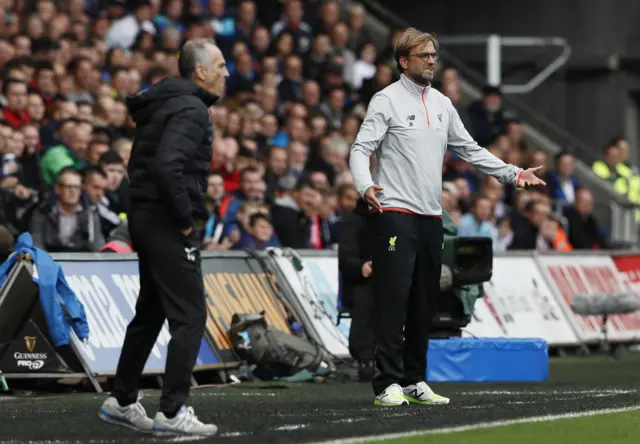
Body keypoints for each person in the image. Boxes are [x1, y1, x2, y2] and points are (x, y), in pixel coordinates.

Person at [349, 28, 545, 407]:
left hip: (430, 217)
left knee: (425, 300)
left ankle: (413, 379)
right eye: (424, 55)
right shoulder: (385, 100)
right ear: (404, 61)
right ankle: (386, 381)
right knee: (393, 299)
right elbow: (361, 148)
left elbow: (469, 149)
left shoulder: (441, 103)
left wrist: (513, 173)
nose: (432, 60)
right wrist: (364, 185)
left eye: (434, 55)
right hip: (395, 213)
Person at [97, 38, 229, 437]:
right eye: (220, 65)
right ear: (200, 71)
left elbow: (148, 161)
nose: (226, 72)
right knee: (190, 316)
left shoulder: (167, 103)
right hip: (165, 221)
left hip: (144, 215)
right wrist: (185, 220)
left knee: (151, 310)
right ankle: (173, 411)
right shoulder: (192, 109)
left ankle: (121, 400)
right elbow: (168, 164)